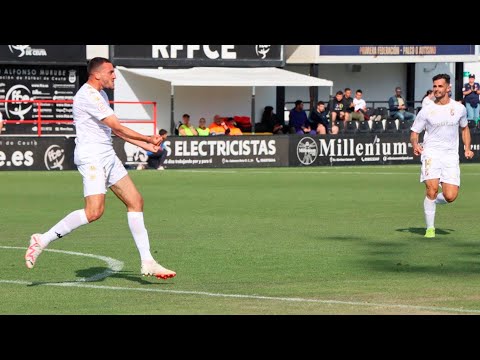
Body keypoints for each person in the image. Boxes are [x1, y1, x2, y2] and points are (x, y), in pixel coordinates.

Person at [24, 57, 176, 279]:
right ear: (97, 75)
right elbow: (117, 126)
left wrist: (147, 144)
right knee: (94, 212)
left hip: (107, 154)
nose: (114, 75)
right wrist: (146, 138)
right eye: (111, 72)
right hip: (92, 157)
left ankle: (148, 261)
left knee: (136, 201)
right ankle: (42, 239)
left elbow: (115, 132)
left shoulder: (101, 95)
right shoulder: (88, 95)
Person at [410, 73, 474, 238]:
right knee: (431, 189)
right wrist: (415, 145)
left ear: (448, 87)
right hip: (431, 153)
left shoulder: (459, 108)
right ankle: (430, 228)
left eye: (440, 86)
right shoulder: (426, 110)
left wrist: (467, 148)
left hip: (451, 156)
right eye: (435, 86)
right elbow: (414, 132)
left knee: (450, 196)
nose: (437, 89)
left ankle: (431, 201)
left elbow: (464, 128)